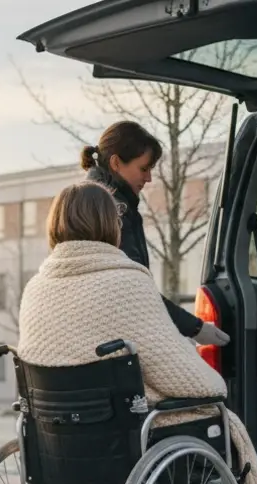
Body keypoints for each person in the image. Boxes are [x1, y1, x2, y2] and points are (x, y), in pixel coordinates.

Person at [18, 180, 257, 484]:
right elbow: (179, 373)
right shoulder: (127, 281)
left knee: (179, 429)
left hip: (57, 447)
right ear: (110, 225)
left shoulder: (36, 288)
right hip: (126, 445)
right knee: (212, 419)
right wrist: (214, 385)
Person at [81, 121, 231, 349]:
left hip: (98, 337)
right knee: (206, 384)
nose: (149, 178)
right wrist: (196, 328)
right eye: (144, 168)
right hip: (116, 343)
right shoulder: (113, 210)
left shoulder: (85, 204)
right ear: (115, 163)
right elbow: (135, 289)